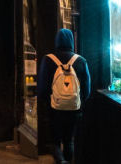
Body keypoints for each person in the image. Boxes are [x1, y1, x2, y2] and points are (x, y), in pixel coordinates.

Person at [37, 28, 91, 164]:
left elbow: (42, 87)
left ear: (57, 41)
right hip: (74, 109)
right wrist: (78, 102)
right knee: (69, 141)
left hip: (54, 109)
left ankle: (60, 161)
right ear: (71, 41)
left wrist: (47, 103)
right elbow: (87, 89)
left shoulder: (48, 60)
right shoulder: (81, 61)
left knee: (54, 141)